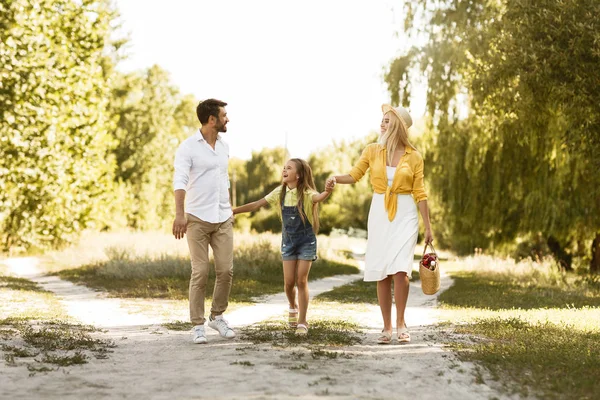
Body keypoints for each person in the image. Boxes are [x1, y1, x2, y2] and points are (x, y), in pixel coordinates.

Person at [330, 104, 433, 344]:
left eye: (387, 121)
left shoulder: (414, 156)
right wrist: (335, 178)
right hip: (379, 211)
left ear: (397, 125)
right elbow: (354, 175)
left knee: (401, 269)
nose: (382, 124)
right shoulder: (372, 150)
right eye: (382, 120)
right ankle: (386, 326)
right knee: (382, 271)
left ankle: (401, 323)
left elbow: (420, 193)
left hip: (406, 213)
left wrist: (428, 227)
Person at [233, 159, 335, 335]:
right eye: (284, 168)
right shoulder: (279, 192)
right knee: (288, 283)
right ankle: (292, 305)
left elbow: (319, 197)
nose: (284, 170)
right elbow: (256, 205)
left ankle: (303, 321)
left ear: (299, 174)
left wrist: (327, 191)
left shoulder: (307, 193)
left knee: (301, 280)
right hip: (288, 242)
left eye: (289, 168)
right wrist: (233, 210)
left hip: (306, 242)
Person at [172, 98, 236, 344]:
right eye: (224, 115)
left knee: (226, 271)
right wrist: (180, 214)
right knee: (200, 272)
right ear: (212, 119)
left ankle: (217, 316)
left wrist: (229, 207)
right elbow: (180, 181)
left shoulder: (224, 146)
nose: (227, 119)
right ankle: (198, 325)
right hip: (197, 218)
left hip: (222, 218)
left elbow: (224, 179)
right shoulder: (188, 147)